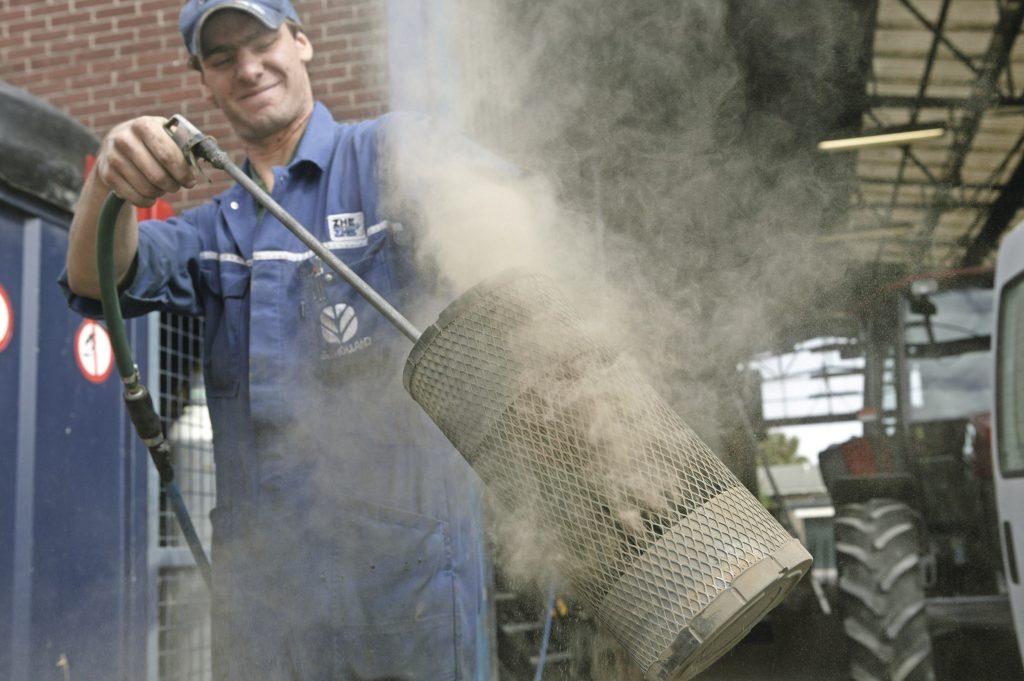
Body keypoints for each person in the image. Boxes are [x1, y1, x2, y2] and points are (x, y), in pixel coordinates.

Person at [62, 1, 491, 679]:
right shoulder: (212, 231)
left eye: (261, 43)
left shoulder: (390, 157)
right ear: (204, 82)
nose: (248, 68)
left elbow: (508, 233)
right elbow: (94, 276)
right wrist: (106, 179)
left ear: (302, 42)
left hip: (405, 594)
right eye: (222, 57)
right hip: (263, 606)